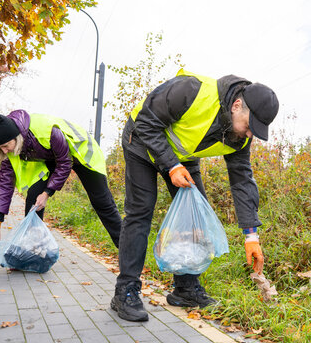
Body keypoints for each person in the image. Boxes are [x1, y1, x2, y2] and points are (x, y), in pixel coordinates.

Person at [111, 69, 279, 321]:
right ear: (236, 106)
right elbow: (147, 123)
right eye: (249, 125)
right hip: (142, 143)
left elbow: (242, 181)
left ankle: (185, 289)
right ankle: (125, 291)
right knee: (140, 211)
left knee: (196, 217)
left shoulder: (240, 138)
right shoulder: (191, 90)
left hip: (182, 158)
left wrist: (251, 235)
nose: (249, 134)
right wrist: (171, 165)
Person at [0, 109, 122, 256]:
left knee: (102, 203)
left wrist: (47, 193)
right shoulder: (11, 147)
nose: (4, 151)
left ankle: (128, 251)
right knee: (33, 197)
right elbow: (4, 185)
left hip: (82, 153)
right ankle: (32, 253)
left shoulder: (47, 131)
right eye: (0, 148)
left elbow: (65, 163)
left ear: (16, 137)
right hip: (53, 158)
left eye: (5, 145)